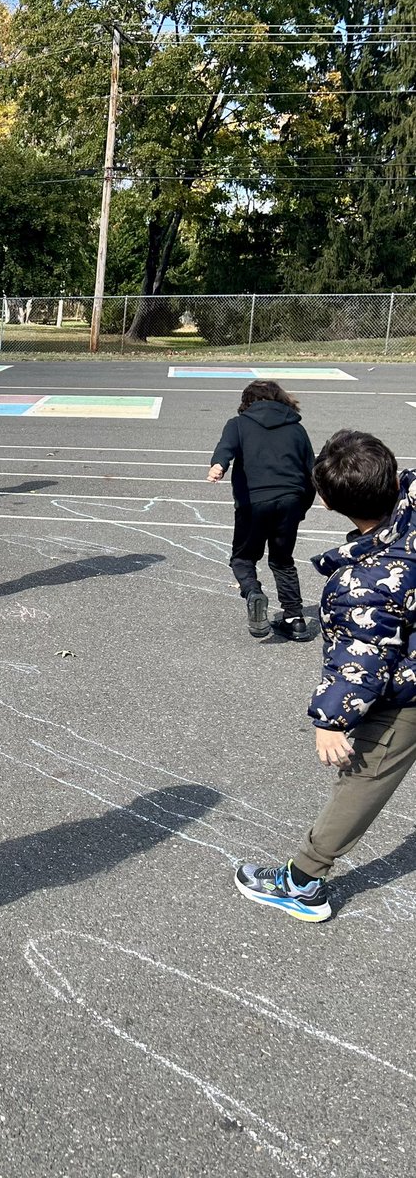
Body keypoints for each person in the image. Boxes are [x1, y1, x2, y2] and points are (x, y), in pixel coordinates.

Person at [236, 431, 416, 922]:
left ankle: (303, 881)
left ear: (326, 502)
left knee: (365, 777)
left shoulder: (362, 581)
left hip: (408, 690)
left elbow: (360, 658)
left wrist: (331, 721)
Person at [208, 380, 316, 640]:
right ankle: (295, 619)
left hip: (254, 501)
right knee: (282, 560)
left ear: (246, 402)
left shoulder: (238, 424)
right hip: (290, 499)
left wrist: (218, 465)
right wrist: (304, 505)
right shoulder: (296, 428)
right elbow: (311, 468)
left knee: (243, 558)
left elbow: (226, 448)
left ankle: (253, 593)